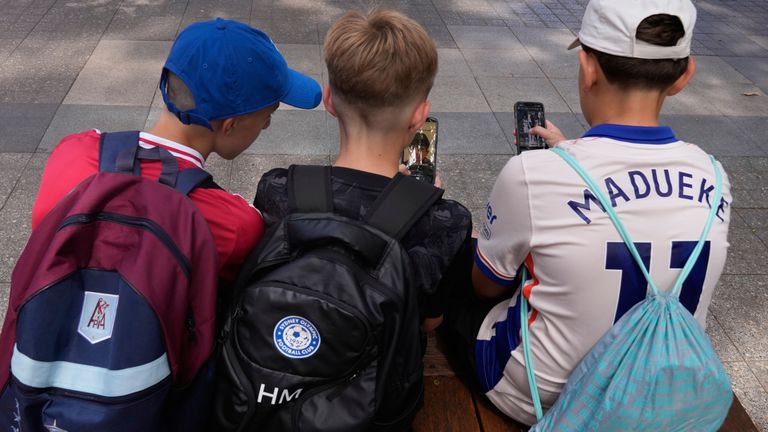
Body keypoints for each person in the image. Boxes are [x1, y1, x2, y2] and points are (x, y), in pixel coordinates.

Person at [442, 0, 733, 425]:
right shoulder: (715, 174)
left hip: (538, 396)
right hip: (660, 385)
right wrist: (570, 153)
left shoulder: (533, 174)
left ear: (588, 67)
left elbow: (485, 288)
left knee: (464, 266)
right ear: (684, 76)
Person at [32, 18, 322, 284]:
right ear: (230, 125)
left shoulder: (71, 152)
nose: (267, 126)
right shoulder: (233, 225)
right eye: (266, 117)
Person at [255, 9, 471, 332]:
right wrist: (417, 200)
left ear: (328, 100)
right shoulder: (444, 222)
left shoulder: (278, 190)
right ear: (419, 116)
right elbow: (429, 322)